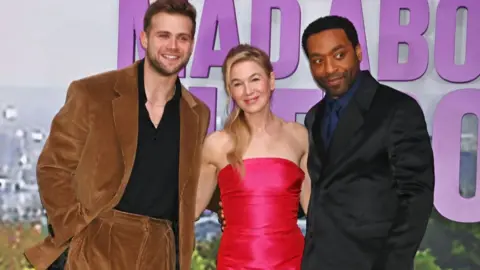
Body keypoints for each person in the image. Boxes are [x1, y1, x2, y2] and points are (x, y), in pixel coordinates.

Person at [24, 1, 210, 269]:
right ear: (144, 39)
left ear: (191, 45)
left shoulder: (196, 114)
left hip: (160, 252)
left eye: (183, 38)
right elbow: (53, 167)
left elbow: (193, 184)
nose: (173, 46)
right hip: (95, 246)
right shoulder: (93, 93)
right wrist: (76, 232)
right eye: (163, 35)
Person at [300, 16, 435, 270]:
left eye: (338, 55)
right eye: (318, 61)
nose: (329, 69)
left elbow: (416, 195)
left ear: (358, 52)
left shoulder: (397, 109)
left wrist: (391, 264)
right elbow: (321, 191)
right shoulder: (314, 116)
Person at [195, 44, 311, 269]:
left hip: (292, 261)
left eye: (255, 79)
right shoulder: (217, 144)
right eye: (237, 84)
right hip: (236, 262)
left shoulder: (299, 136)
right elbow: (190, 209)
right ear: (230, 91)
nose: (248, 91)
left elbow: (315, 213)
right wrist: (224, 207)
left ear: (272, 80)